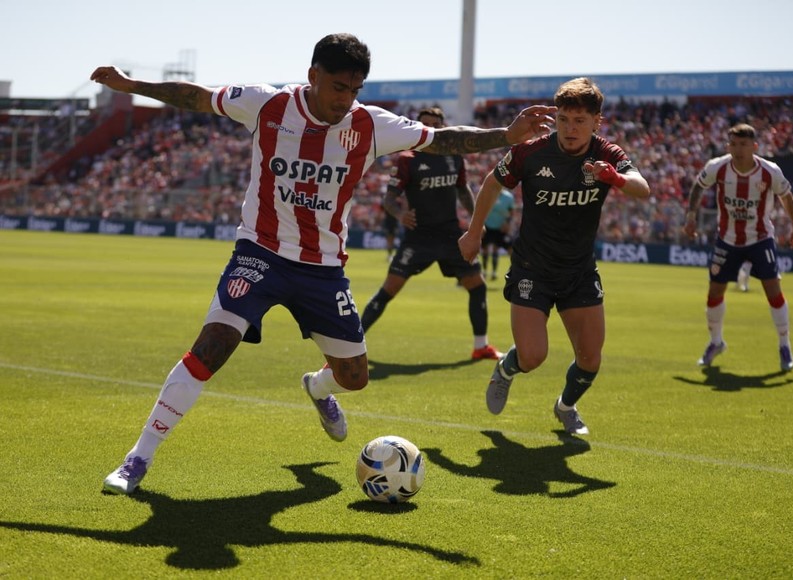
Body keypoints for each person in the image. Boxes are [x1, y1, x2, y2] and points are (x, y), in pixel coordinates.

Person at [91, 33, 555, 495]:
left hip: (323, 268)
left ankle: (318, 388)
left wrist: (506, 136)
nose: (346, 99)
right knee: (212, 345)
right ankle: (138, 459)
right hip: (260, 252)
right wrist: (133, 86)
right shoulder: (266, 104)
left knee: (355, 378)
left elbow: (442, 140)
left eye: (355, 89)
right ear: (313, 76)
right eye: (338, 87)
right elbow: (194, 95)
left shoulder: (370, 125)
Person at [458, 78, 650, 436]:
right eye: (563, 119)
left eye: (580, 121)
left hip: (578, 271)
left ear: (597, 122)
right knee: (533, 357)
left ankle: (565, 406)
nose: (570, 128)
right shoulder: (531, 151)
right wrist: (473, 231)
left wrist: (614, 178)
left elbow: (642, 188)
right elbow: (491, 182)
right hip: (533, 269)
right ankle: (505, 369)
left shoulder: (607, 153)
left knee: (591, 360)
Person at [360, 107, 501, 361]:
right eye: (425, 124)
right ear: (418, 126)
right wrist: (400, 214)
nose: (430, 128)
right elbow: (389, 198)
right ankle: (351, 346)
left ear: (443, 125)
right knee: (388, 291)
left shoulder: (454, 155)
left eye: (435, 124)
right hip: (419, 237)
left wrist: (475, 219)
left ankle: (481, 346)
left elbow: (462, 190)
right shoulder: (407, 159)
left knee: (477, 287)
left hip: (450, 236)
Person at [683, 123, 793, 371]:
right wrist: (691, 216)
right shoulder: (717, 167)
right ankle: (716, 343)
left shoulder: (770, 171)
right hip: (727, 239)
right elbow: (698, 186)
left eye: (744, 145)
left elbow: (786, 197)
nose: (738, 149)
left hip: (760, 239)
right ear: (728, 146)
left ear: (754, 147)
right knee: (715, 292)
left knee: (773, 290)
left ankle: (784, 345)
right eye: (734, 144)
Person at [480, 188, 515, 281]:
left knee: (496, 248)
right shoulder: (487, 193)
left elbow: (511, 213)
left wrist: (507, 223)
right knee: (485, 249)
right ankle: (484, 271)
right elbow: (480, 208)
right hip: (487, 225)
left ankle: (494, 273)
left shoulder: (508, 197)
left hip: (500, 227)